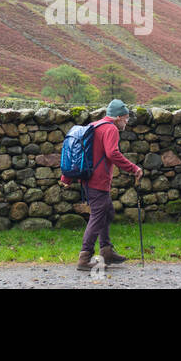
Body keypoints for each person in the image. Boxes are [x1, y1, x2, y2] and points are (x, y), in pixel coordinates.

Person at [61, 98, 144, 271]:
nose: (127, 122)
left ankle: (106, 251)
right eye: (126, 118)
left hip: (88, 179)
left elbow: (78, 152)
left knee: (107, 212)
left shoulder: (95, 125)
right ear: (119, 117)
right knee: (98, 216)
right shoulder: (111, 128)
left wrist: (66, 178)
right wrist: (133, 168)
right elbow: (112, 153)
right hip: (98, 181)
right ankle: (84, 259)